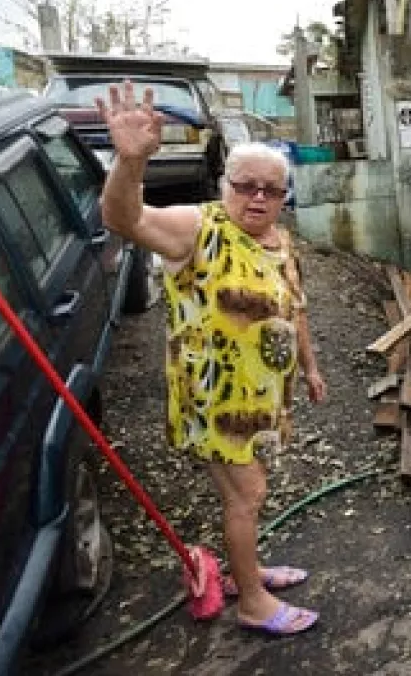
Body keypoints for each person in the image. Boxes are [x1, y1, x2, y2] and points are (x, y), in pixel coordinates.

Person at [99, 81, 326, 636]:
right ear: (225, 184)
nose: (257, 198)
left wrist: (310, 365)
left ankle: (249, 568)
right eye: (245, 185)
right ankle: (251, 601)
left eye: (271, 190)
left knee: (247, 492)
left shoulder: (279, 240)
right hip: (217, 400)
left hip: (262, 398)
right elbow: (124, 219)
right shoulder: (198, 229)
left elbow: (294, 306)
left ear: (283, 198)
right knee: (247, 495)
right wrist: (130, 164)